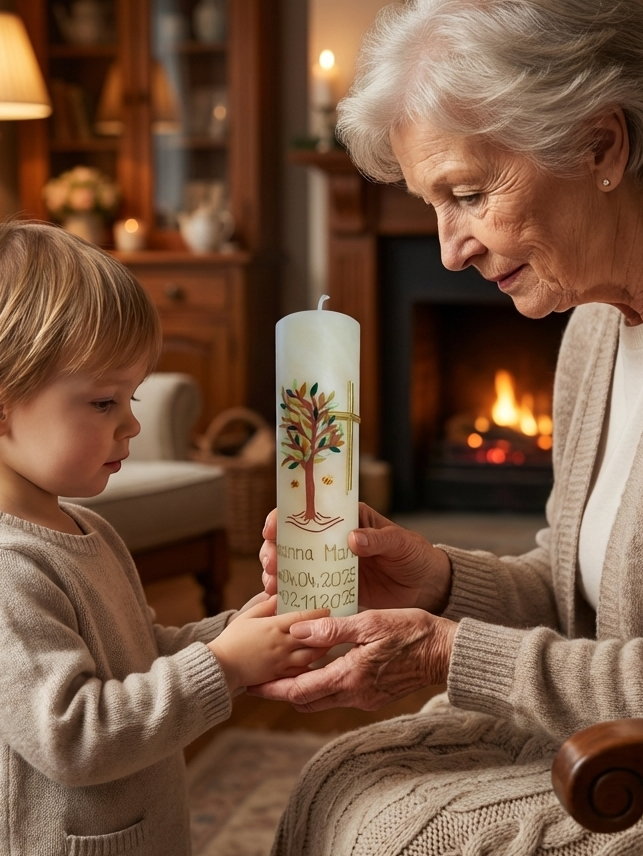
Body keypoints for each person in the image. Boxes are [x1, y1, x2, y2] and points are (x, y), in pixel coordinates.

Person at [253, 0, 643, 852]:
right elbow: (583, 600)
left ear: (601, 146)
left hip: (622, 760)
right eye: (432, 204)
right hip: (604, 727)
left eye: (468, 194)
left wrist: (446, 654)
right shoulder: (594, 331)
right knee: (339, 774)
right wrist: (432, 581)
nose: (447, 251)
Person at [0, 220, 328, 855]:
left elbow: (143, 656)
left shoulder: (87, 529)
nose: (131, 425)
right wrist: (227, 664)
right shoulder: (11, 569)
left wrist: (242, 629)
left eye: (132, 397)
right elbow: (74, 736)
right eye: (102, 403)